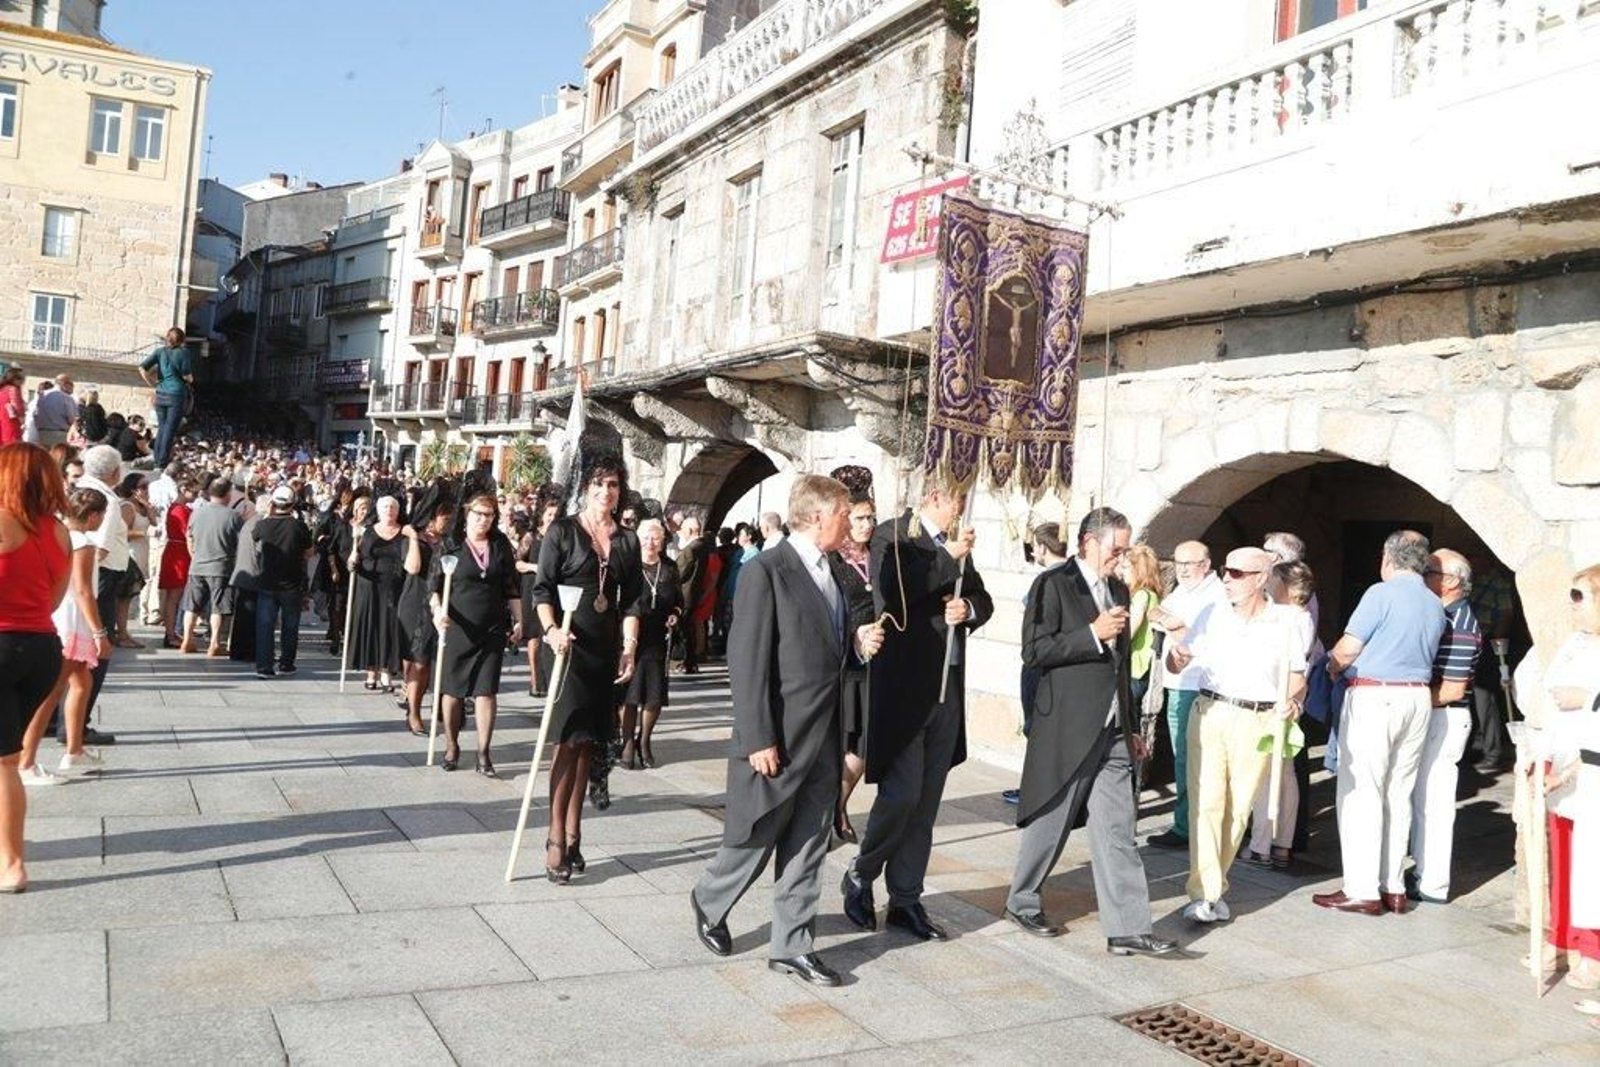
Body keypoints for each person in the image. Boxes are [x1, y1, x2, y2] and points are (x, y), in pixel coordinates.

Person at [691, 475, 883, 986]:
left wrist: (856, 643)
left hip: (825, 732)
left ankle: (792, 946)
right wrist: (758, 737)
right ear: (818, 516)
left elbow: (826, 640)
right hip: (779, 734)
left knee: (810, 841)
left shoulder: (834, 569)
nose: (850, 523)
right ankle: (710, 898)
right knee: (758, 834)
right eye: (843, 513)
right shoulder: (767, 570)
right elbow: (747, 659)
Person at [1001, 507, 1176, 956]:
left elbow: (1121, 665)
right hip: (1068, 725)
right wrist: (1091, 633)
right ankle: (1022, 901)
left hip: (1113, 730)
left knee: (1118, 830)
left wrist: (1131, 726)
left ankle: (1128, 928)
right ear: (1088, 542)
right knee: (1051, 820)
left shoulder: (1117, 588)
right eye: (1116, 548)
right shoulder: (1053, 584)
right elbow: (1034, 650)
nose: (1122, 557)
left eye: (1126, 549)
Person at [842, 476, 993, 942]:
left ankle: (906, 898)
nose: (962, 509)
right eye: (958, 499)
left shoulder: (955, 542)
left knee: (926, 805)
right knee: (901, 794)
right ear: (934, 497)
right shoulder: (893, 536)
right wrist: (948, 557)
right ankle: (861, 873)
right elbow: (896, 593)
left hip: (947, 689)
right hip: (906, 691)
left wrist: (968, 609)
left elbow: (983, 599)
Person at [1166, 547, 1307, 924]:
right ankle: (1205, 893)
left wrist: (1294, 702)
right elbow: (1176, 662)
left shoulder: (1286, 621)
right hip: (1210, 711)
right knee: (1206, 804)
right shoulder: (1212, 613)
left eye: (1237, 572)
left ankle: (1213, 887)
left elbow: (1297, 676)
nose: (1227, 578)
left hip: (1258, 718)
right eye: (1225, 570)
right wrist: (1176, 659)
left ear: (1262, 578)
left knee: (1239, 809)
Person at [1314, 530, 1448, 916]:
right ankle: (1393, 885)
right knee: (1398, 793)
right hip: (1417, 697)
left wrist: (1331, 669)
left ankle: (1362, 889)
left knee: (1362, 791)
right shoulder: (1434, 602)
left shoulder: (1380, 593)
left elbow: (1347, 649)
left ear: (1388, 558)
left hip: (1376, 695)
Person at [532, 454, 642, 881]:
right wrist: (550, 631)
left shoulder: (627, 540)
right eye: (599, 483)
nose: (606, 491)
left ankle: (575, 831)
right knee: (568, 741)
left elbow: (632, 601)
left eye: (613, 484)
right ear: (585, 487)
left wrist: (629, 647)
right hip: (567, 647)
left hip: (605, 649)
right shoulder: (562, 531)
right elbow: (542, 590)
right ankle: (555, 837)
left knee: (590, 744)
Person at [0, 442, 72, 893]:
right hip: (42, 649)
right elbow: (54, 600)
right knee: (6, 758)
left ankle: (12, 864)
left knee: (3, 763)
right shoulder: (59, 531)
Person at [1400, 549, 1483, 904]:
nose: (1421, 575)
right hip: (1435, 715)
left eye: (1428, 571)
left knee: (1433, 803)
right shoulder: (1443, 615)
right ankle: (1423, 871)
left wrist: (1404, 697)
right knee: (1422, 800)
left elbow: (1452, 690)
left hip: (1444, 717)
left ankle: (1432, 882)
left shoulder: (1460, 624)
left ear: (1450, 581)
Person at [1533, 565, 1600, 987]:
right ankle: (1565, 941)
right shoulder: (1574, 643)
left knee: (1592, 865)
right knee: (1564, 859)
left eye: (1580, 596)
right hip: (1561, 759)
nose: (1572, 604)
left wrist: (1589, 697)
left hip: (1591, 766)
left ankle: (1592, 953)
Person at [19, 488, 112, 783]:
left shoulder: (58, 535)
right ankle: (26, 762)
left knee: (81, 682)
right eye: (102, 515)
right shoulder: (82, 543)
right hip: (73, 619)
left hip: (63, 614)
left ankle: (75, 751)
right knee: (53, 691)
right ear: (93, 515)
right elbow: (83, 590)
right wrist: (100, 632)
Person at [1145, 540, 1228, 851]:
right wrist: (1170, 620)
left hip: (1197, 684)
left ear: (1205, 565)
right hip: (1178, 681)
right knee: (1185, 757)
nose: (1181, 570)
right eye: (1178, 563)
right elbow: (1156, 611)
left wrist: (1175, 625)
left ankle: (1187, 827)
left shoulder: (1216, 596)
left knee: (1190, 759)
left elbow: (1201, 641)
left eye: (1188, 564)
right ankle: (1189, 822)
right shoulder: (1185, 591)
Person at [431, 492, 520, 775]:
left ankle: (483, 752)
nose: (483, 519)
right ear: (467, 514)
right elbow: (433, 586)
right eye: (478, 514)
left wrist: (519, 620)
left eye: (489, 514)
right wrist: (437, 612)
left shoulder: (500, 545)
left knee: (486, 691)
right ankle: (452, 745)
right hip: (457, 626)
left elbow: (511, 586)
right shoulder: (451, 545)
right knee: (453, 690)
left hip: (492, 627)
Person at [1243, 559, 1320, 870]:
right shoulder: (1303, 618)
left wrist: (1287, 699)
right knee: (1284, 775)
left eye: (1274, 580)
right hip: (1289, 701)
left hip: (1277, 701)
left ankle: (1261, 846)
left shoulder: (1287, 618)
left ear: (1286, 586)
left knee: (1268, 774)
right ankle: (1281, 845)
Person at [831, 492, 877, 842]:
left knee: (863, 744)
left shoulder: (879, 556)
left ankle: (838, 802)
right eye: (860, 518)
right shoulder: (833, 561)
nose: (867, 525)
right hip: (844, 663)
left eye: (871, 518)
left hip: (874, 663)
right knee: (842, 740)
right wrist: (854, 634)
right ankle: (833, 809)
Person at [75, 445, 126, 745]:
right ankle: (78, 723)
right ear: (114, 472)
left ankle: (61, 718)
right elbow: (100, 549)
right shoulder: (105, 500)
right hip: (98, 577)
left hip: (84, 575)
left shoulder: (78, 487)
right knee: (97, 649)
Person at [622, 518, 681, 770]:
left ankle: (644, 740)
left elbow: (679, 601)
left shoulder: (669, 567)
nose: (650, 542)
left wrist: (675, 614)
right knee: (630, 695)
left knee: (654, 696)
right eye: (645, 537)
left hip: (658, 637)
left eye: (655, 538)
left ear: (663, 541)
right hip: (631, 636)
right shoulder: (629, 565)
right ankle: (626, 742)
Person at [397, 488, 454, 735]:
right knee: (418, 661)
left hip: (442, 604)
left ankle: (425, 704)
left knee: (429, 663)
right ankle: (414, 712)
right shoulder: (415, 538)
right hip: (415, 602)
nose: (449, 522)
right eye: (445, 517)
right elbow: (413, 568)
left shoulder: (450, 542)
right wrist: (412, 538)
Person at [252, 485, 313, 678]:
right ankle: (286, 664)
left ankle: (264, 666)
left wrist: (267, 514)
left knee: (265, 625)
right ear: (292, 504)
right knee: (290, 626)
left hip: (267, 582)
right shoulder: (299, 526)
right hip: (292, 582)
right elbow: (309, 552)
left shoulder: (263, 525)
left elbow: (254, 536)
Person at [179, 477, 243, 657]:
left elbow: (189, 537)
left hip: (197, 565)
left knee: (192, 606)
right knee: (218, 607)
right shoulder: (233, 516)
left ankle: (187, 639)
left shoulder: (196, 513)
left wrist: (194, 556)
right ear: (228, 494)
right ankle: (214, 643)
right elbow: (241, 542)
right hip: (221, 567)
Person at [348, 496, 406, 691]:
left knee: (389, 627)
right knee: (371, 625)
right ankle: (371, 672)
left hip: (394, 587)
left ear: (398, 511)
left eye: (393, 507)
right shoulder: (367, 531)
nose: (389, 509)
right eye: (385, 506)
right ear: (379, 510)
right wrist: (352, 561)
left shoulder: (404, 532)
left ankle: (386, 672)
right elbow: (355, 558)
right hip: (369, 585)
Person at [518, 495, 561, 698]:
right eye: (549, 514)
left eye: (555, 514)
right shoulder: (531, 537)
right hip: (531, 588)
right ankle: (535, 681)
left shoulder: (560, 536)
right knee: (534, 638)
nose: (552, 518)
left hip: (553, 590)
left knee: (549, 635)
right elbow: (517, 563)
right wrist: (536, 568)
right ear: (542, 516)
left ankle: (550, 679)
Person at [1119, 543, 1164, 719]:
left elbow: (1129, 632)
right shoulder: (1153, 595)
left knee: (1128, 715)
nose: (1122, 572)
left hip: (1136, 666)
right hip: (1143, 666)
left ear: (1137, 570)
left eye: (1125, 567)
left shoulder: (1141, 596)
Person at [139, 327, 193, 468]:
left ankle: (157, 459)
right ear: (182, 340)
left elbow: (142, 368)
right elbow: (186, 375)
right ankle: (162, 462)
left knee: (162, 427)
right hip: (176, 395)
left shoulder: (160, 352)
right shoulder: (184, 353)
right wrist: (190, 379)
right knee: (170, 429)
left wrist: (152, 383)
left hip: (161, 394)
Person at [112, 473, 152, 648]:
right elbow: (122, 533)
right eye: (143, 487)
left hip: (141, 554)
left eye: (148, 486)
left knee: (127, 597)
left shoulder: (143, 506)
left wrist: (148, 508)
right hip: (129, 555)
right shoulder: (127, 507)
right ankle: (122, 634)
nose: (147, 490)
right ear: (133, 489)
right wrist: (144, 533)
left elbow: (154, 523)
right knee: (124, 597)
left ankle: (122, 632)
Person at [157, 476, 199, 648]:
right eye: (194, 492)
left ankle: (172, 632)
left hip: (177, 550)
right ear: (183, 490)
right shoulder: (179, 510)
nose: (196, 495)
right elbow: (187, 532)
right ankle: (170, 633)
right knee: (174, 596)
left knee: (174, 596)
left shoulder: (179, 508)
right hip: (179, 552)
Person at [675, 515, 706, 674]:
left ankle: (686, 661)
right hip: (693, 594)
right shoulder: (702, 546)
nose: (681, 532)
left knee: (684, 631)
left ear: (690, 530)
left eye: (683, 529)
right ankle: (689, 662)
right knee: (688, 629)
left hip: (684, 595)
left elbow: (679, 573)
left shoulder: (691, 549)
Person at [33, 375, 77, 449]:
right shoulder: (66, 398)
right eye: (71, 384)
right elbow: (72, 419)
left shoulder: (42, 395)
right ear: (64, 384)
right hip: (60, 434)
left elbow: (35, 413)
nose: (73, 387)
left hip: (42, 433)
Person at [0, 366, 24, 446]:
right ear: (13, 379)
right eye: (21, 378)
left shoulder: (2, 389)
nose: (22, 381)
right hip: (10, 422)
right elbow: (18, 408)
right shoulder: (13, 389)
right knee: (11, 446)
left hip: (1, 420)